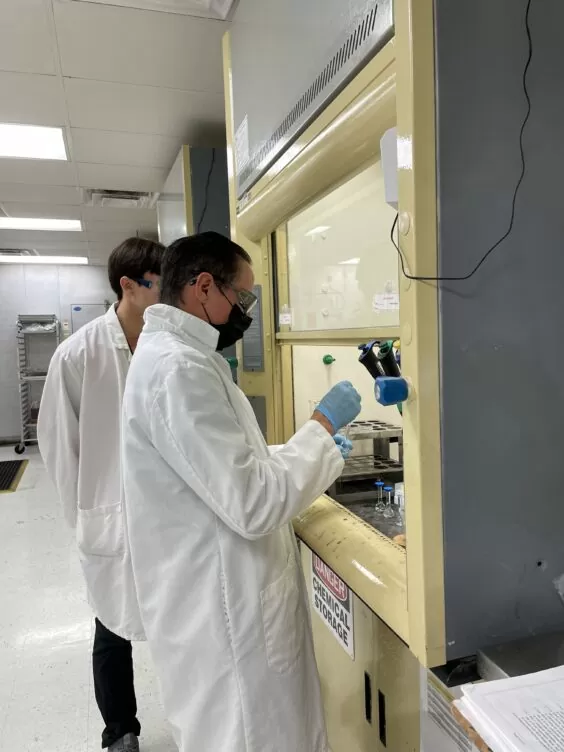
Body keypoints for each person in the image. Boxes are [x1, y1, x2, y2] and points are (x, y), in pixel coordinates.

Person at [121, 231, 362, 752]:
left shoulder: (183, 358)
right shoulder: (178, 370)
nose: (244, 312)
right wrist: (319, 428)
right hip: (226, 618)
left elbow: (229, 467)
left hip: (219, 602)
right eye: (243, 297)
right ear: (203, 286)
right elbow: (252, 502)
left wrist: (309, 447)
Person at [37, 237, 165, 752]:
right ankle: (121, 732)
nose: (170, 293)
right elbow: (57, 443)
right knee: (111, 628)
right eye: (160, 283)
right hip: (108, 514)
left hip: (167, 514)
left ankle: (193, 713)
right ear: (127, 286)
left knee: (181, 619)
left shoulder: (166, 347)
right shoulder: (78, 354)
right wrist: (86, 514)